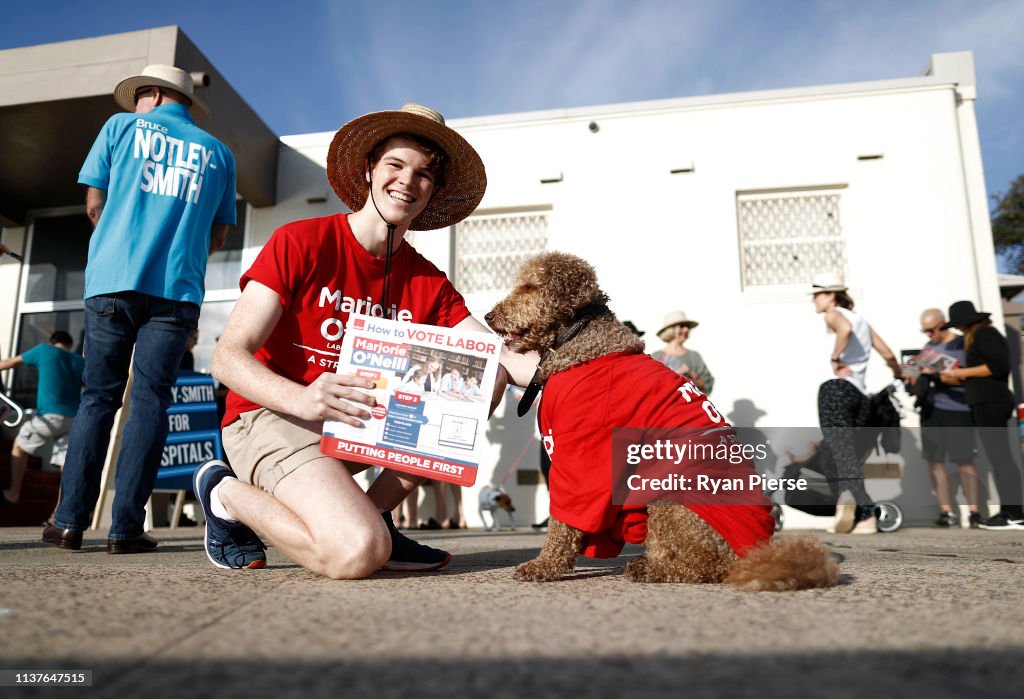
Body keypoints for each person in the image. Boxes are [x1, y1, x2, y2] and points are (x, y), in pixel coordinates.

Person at [195, 103, 534, 577]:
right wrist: (304, 398)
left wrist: (605, 371)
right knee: (355, 553)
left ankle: (374, 514)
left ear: (432, 191)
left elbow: (501, 356)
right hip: (272, 415)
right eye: (396, 164)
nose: (407, 181)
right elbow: (227, 359)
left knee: (486, 374)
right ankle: (222, 493)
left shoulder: (426, 280)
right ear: (370, 168)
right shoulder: (300, 242)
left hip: (358, 427)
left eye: (423, 175)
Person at [43, 65, 237, 554]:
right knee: (152, 403)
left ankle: (68, 522)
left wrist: (116, 241)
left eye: (138, 99)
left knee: (97, 400)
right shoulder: (219, 153)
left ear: (152, 94)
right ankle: (125, 529)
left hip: (113, 281)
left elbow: (94, 203)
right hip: (176, 291)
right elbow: (218, 234)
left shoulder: (119, 128)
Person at [811, 273, 901, 534]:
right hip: (858, 395)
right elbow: (887, 354)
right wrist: (900, 375)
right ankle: (844, 506)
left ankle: (866, 513)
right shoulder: (862, 321)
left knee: (842, 454)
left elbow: (844, 330)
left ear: (831, 295)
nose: (814, 301)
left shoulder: (834, 314)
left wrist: (836, 357)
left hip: (834, 391)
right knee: (837, 453)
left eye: (817, 295)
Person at [940, 300, 1024, 530]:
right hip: (984, 402)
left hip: (992, 402)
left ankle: (1014, 512)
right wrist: (960, 376)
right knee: (999, 458)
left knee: (1001, 458)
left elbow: (997, 366)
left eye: (958, 324)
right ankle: (1010, 510)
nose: (957, 329)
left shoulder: (986, 333)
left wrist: (960, 372)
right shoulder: (978, 335)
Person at [907, 308, 982, 527]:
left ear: (943, 324)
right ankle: (946, 512)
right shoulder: (928, 348)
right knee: (935, 462)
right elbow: (911, 374)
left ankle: (974, 512)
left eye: (931, 330)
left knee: (964, 461)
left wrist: (939, 374)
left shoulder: (961, 344)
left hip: (958, 409)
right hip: (932, 410)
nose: (928, 335)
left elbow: (968, 377)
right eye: (925, 331)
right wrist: (909, 374)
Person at [0, 331, 84, 506]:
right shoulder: (79, 361)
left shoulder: (44, 350)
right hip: (74, 419)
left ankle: (13, 494)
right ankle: (60, 513)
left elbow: (9, 363)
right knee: (65, 466)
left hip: (50, 416)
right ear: (69, 344)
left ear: (53, 342)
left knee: (19, 447)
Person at [651, 311, 714, 394]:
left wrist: (691, 375)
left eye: (687, 326)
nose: (686, 329)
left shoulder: (694, 356)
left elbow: (707, 386)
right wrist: (675, 376)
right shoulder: (655, 357)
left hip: (690, 405)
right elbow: (651, 388)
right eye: (682, 326)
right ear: (671, 330)